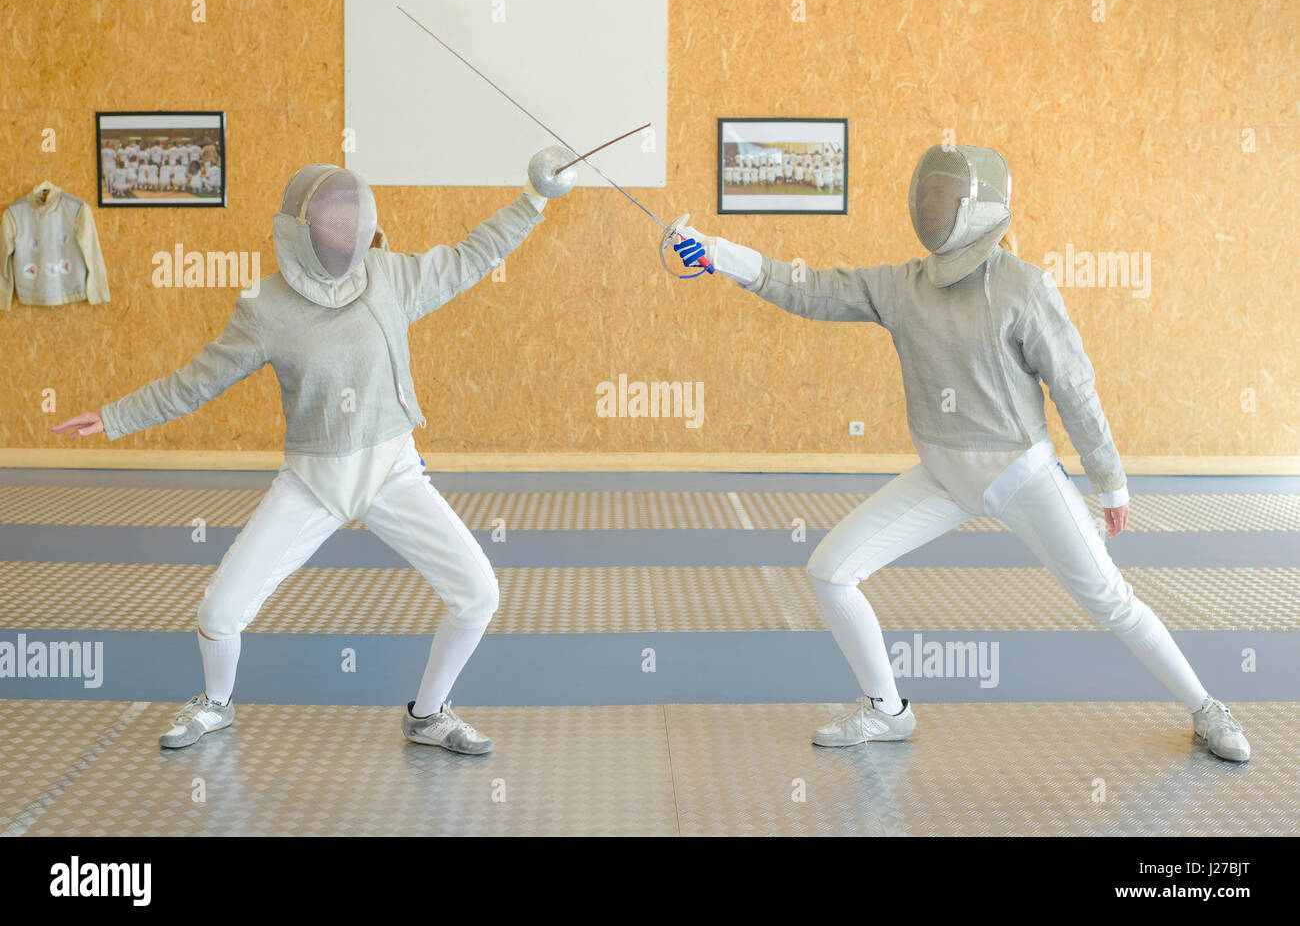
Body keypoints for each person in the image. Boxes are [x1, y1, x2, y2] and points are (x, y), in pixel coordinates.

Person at [670, 143, 1250, 763]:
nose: (933, 207)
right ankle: (887, 710)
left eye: (945, 198)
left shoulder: (1023, 287)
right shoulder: (902, 286)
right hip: (943, 475)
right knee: (831, 570)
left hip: (1020, 474)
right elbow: (807, 288)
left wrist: (1109, 479)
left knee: (1110, 599)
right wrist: (718, 255)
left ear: (974, 209)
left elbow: (1073, 385)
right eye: (929, 196)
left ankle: (1206, 708)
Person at [53, 155, 570, 754]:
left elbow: (470, 257)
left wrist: (534, 197)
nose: (347, 234)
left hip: (392, 471)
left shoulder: (389, 277)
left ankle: (427, 716)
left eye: (355, 219)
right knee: (219, 613)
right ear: (304, 229)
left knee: (479, 593)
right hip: (313, 479)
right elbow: (196, 382)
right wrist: (115, 417)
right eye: (333, 221)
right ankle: (215, 703)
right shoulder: (265, 308)